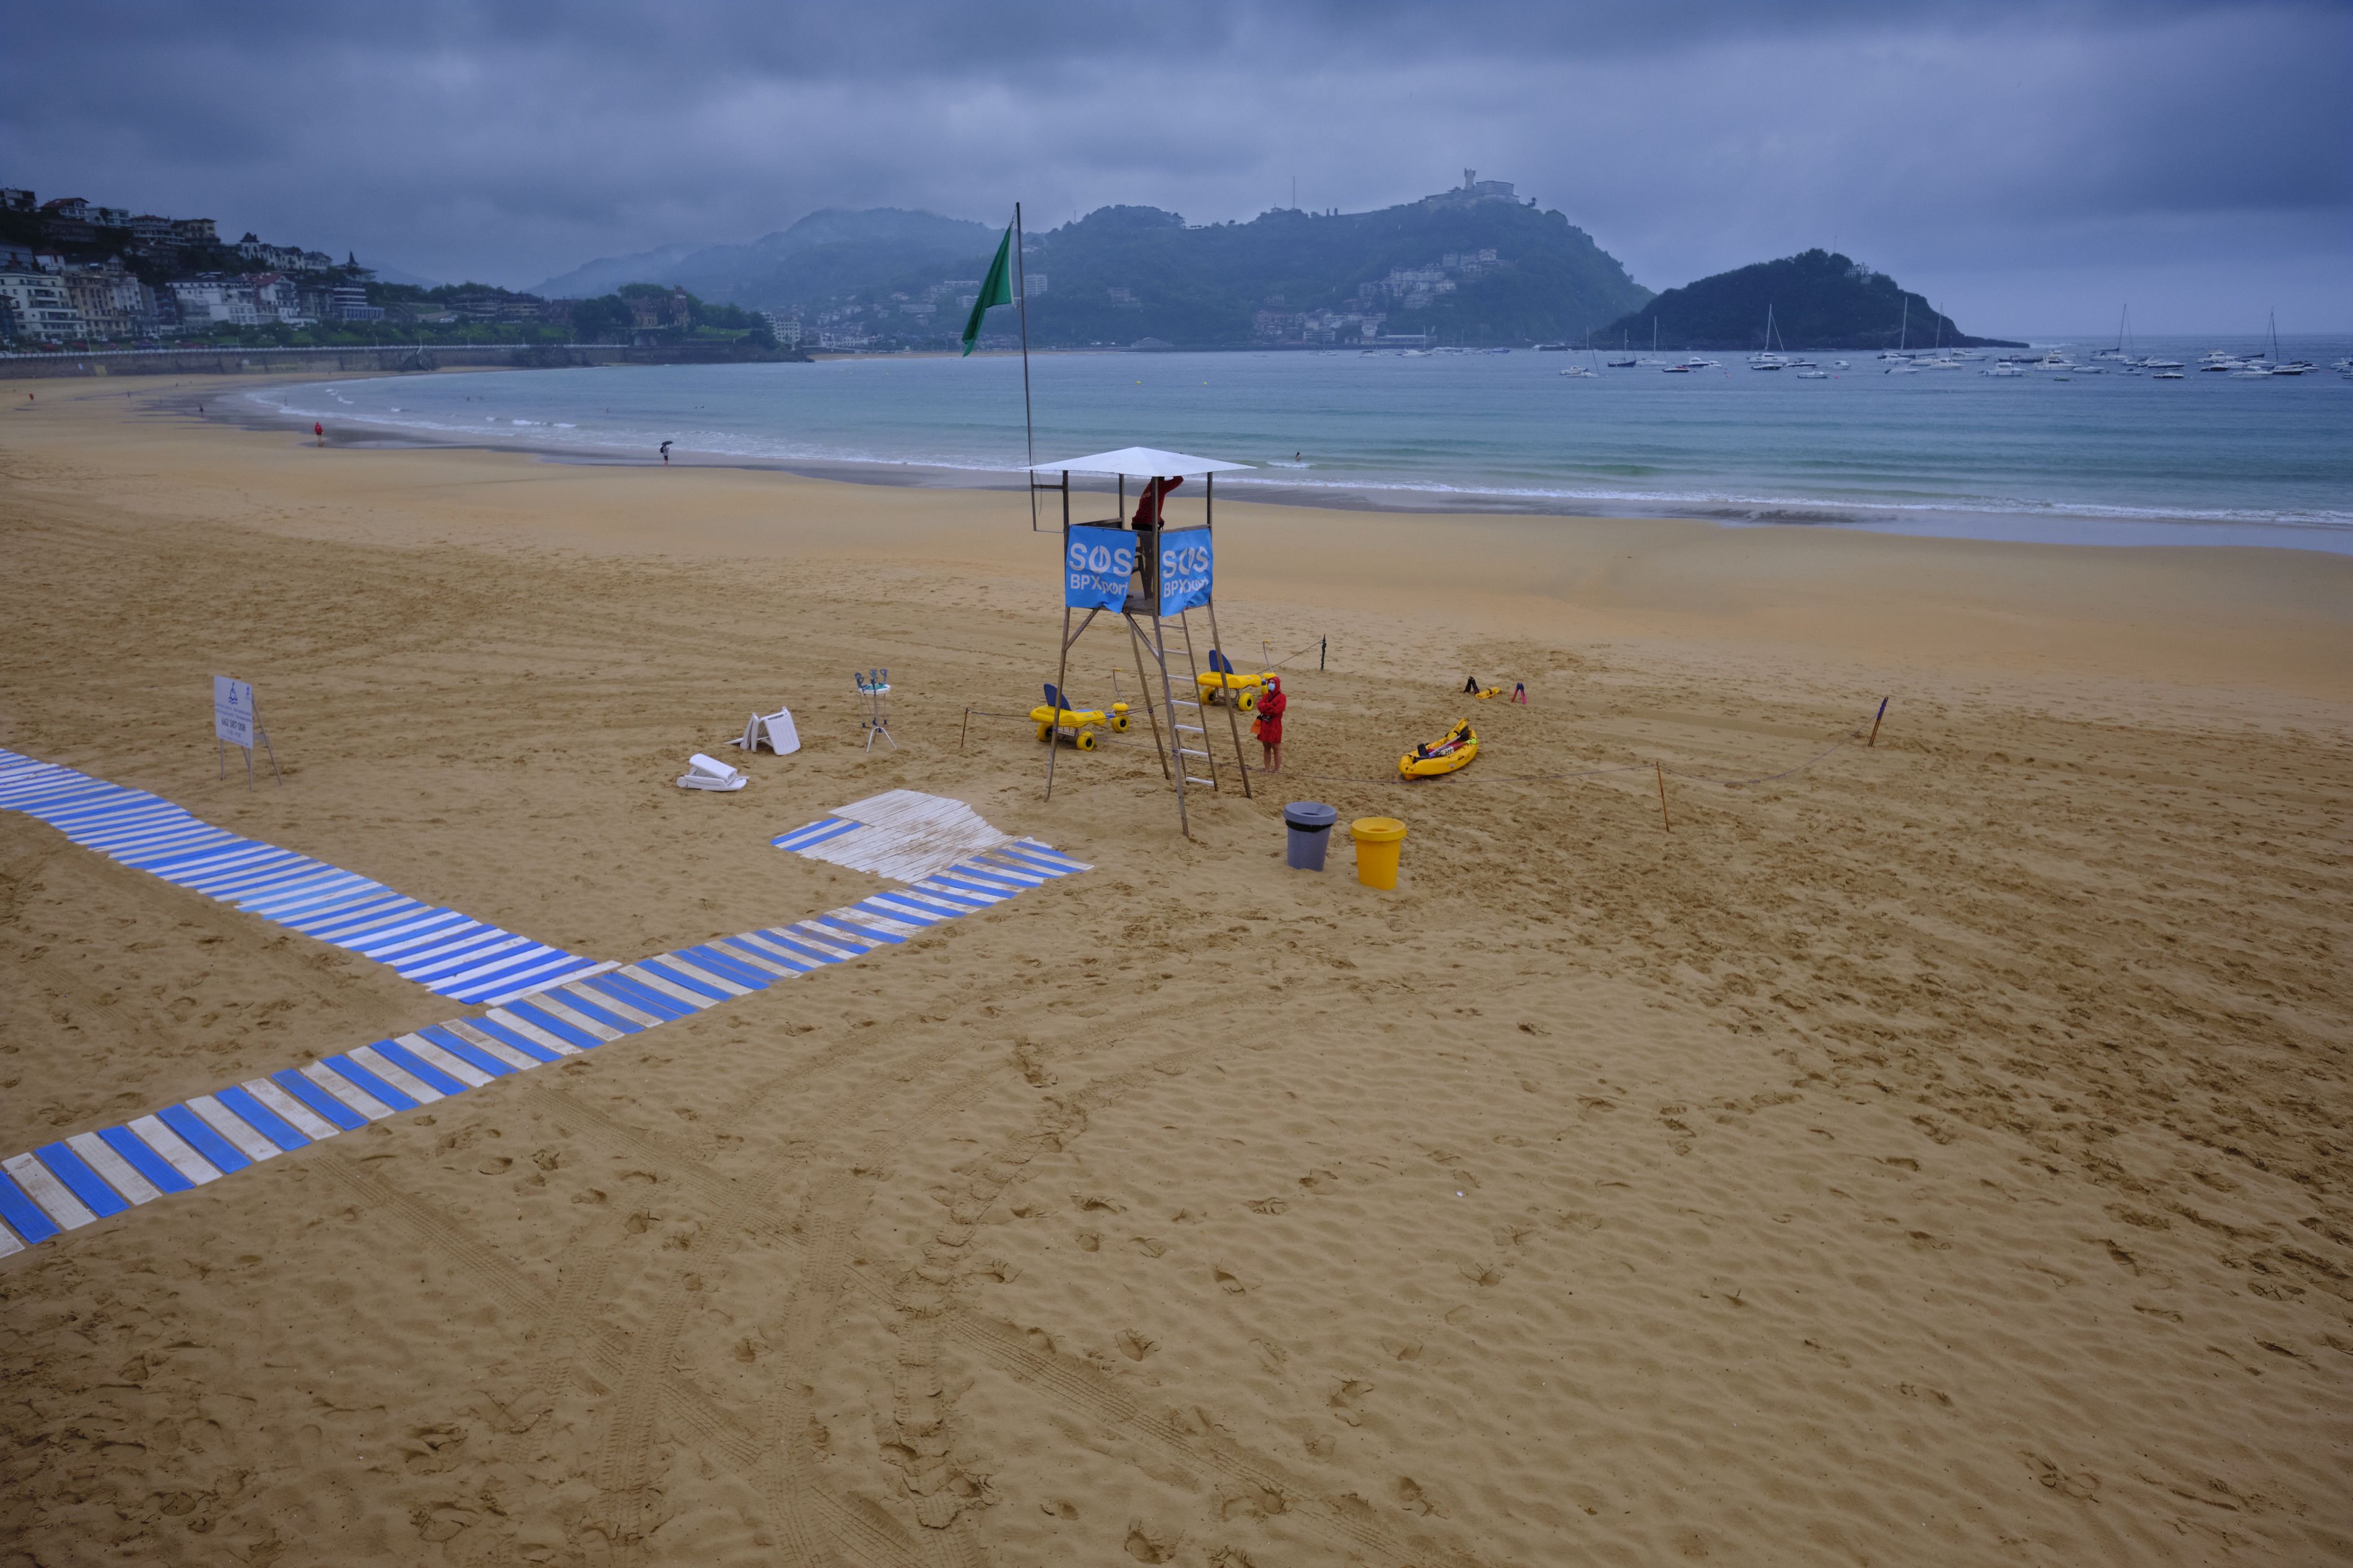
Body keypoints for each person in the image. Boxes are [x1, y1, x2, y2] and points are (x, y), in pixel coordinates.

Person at [1254, 675, 1287, 774]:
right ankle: (1267, 768)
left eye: (1273, 683)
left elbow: (1277, 710)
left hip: (1275, 725)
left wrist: (1266, 708)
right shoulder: (1266, 696)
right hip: (1265, 723)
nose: (1271, 684)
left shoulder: (1282, 697)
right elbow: (1260, 706)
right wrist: (1270, 706)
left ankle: (1276, 770)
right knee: (1266, 748)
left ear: (1277, 684)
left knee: (1276, 748)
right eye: (1270, 683)